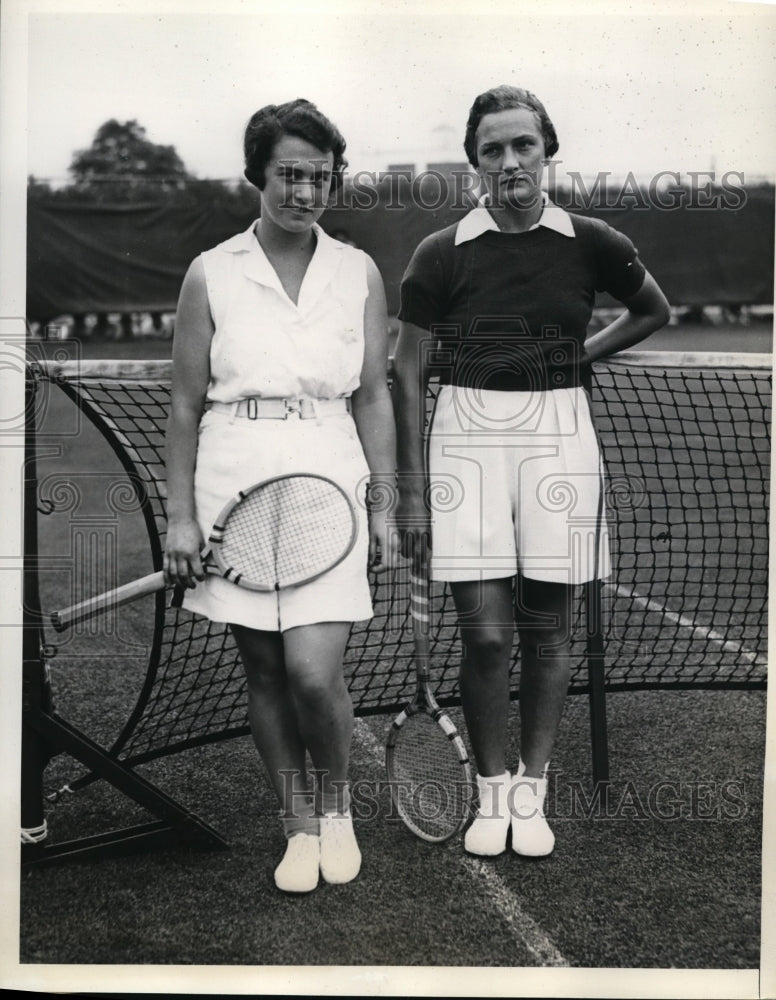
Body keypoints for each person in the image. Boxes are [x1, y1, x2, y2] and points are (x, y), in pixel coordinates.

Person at [392, 85, 670, 858]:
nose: (509, 161)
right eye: (493, 149)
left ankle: (530, 790)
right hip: (465, 440)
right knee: (484, 636)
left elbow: (654, 310)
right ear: (474, 162)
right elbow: (407, 374)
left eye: (523, 145)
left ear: (548, 149)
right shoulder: (440, 252)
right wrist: (411, 496)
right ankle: (488, 792)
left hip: (561, 434)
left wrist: (584, 354)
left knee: (548, 631)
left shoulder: (591, 239)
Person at [163, 99, 396, 892]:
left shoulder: (357, 269)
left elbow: (371, 394)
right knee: (264, 670)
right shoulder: (211, 272)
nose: (304, 191)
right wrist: (182, 517)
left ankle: (337, 812)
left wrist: (386, 504)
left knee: (310, 671)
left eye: (320, 177)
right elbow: (186, 405)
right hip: (234, 475)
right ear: (257, 175)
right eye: (289, 174)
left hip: (329, 479)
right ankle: (297, 827)